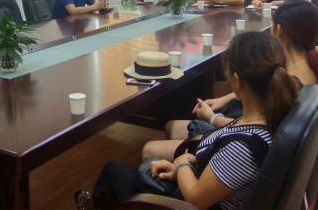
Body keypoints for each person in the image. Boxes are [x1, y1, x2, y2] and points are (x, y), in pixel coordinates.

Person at [77, 32, 298, 210]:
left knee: (113, 172)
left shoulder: (243, 148)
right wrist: (182, 168)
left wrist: (182, 162)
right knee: (120, 171)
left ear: (237, 80)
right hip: (198, 180)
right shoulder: (268, 116)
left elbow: (195, 199)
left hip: (187, 202)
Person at [144, 0, 318, 160]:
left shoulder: (294, 81)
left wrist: (212, 118)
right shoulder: (302, 67)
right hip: (239, 126)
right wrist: (225, 98)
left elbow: (259, 128)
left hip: (238, 141)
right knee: (171, 126)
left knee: (150, 148)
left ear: (279, 30)